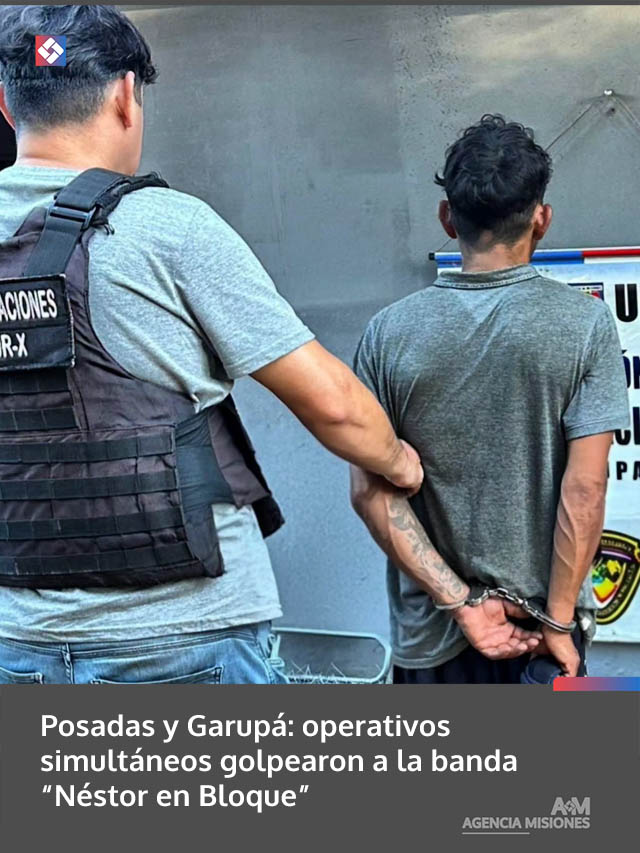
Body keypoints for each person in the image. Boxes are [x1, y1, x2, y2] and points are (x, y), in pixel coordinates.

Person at [0, 5, 422, 685]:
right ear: (126, 95)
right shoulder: (166, 226)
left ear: (6, 103)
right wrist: (400, 462)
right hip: (183, 637)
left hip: (16, 639)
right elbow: (334, 406)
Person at [351, 114, 629, 683]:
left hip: (433, 635)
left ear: (447, 217)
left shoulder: (387, 333)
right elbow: (586, 488)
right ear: (542, 219)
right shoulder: (585, 325)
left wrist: (460, 603)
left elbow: (370, 492)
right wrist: (557, 621)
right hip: (543, 636)